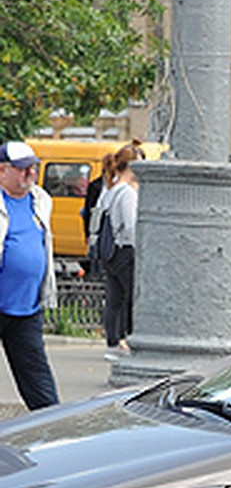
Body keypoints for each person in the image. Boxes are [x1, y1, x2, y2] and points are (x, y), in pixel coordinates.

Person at [0, 141, 58, 409]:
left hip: (26, 307)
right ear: (2, 171)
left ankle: (52, 430)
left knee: (37, 378)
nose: (30, 174)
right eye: (22, 169)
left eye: (33, 168)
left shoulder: (40, 200)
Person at [93, 141, 145, 357]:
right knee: (131, 296)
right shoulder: (127, 193)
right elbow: (131, 224)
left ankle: (113, 341)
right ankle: (128, 339)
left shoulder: (109, 188)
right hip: (124, 249)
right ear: (131, 167)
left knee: (114, 297)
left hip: (109, 251)